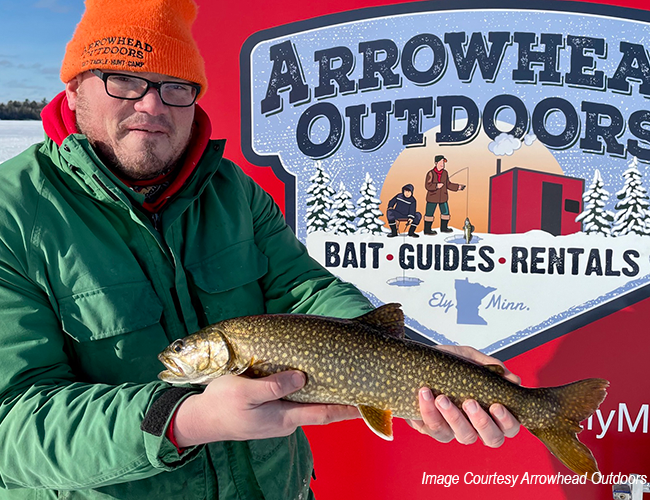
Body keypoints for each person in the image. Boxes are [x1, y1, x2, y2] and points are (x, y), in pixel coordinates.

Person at [0, 1, 520, 498]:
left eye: (175, 86)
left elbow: (301, 289)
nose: (152, 104)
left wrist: (396, 364)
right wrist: (184, 420)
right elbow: (12, 427)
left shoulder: (232, 192)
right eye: (125, 79)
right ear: (73, 90)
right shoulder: (12, 216)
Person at [424, 154, 466, 235]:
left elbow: (448, 184)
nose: (443, 164)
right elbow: (427, 185)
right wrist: (436, 186)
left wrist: (458, 187)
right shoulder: (430, 173)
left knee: (445, 213)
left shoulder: (445, 173)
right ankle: (427, 230)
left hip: (443, 197)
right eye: (441, 162)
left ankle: (444, 228)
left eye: (443, 162)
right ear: (436, 163)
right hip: (432, 198)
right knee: (429, 214)